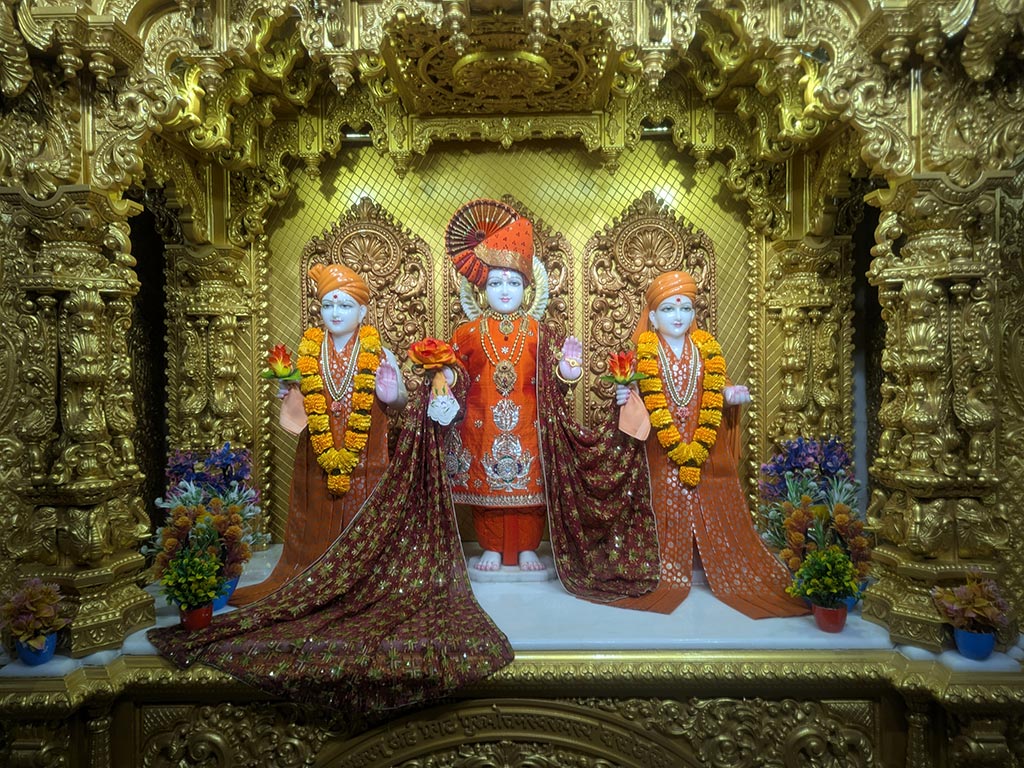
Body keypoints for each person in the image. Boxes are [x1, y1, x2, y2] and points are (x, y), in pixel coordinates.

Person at [613, 270, 808, 618]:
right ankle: (667, 563)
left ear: (693, 314)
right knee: (661, 493)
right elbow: (637, 397)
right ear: (653, 316)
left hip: (704, 446)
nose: (678, 317)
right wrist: (625, 395)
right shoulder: (644, 352)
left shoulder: (705, 348)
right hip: (660, 445)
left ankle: (711, 559)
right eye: (669, 310)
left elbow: (719, 385)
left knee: (712, 492)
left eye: (685, 309)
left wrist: (730, 394)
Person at [230, 263, 407, 605]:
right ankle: (314, 572)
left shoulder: (380, 354)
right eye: (328, 305)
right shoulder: (308, 354)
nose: (336, 313)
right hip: (318, 456)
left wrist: (390, 391)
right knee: (317, 514)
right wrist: (290, 392)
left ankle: (360, 579)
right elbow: (299, 405)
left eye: (344, 305)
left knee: (361, 516)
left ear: (363, 310)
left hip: (366, 454)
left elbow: (398, 401)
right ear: (319, 309)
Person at [441, 208, 583, 573]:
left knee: (529, 493)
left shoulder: (539, 332)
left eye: (513, 283)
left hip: (528, 423)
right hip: (480, 422)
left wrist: (568, 370)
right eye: (496, 283)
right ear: (482, 289)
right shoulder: (467, 333)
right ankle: (489, 545)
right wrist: (443, 374)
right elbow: (456, 375)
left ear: (527, 287)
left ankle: (527, 548)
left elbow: (554, 380)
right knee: (488, 492)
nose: (505, 291)